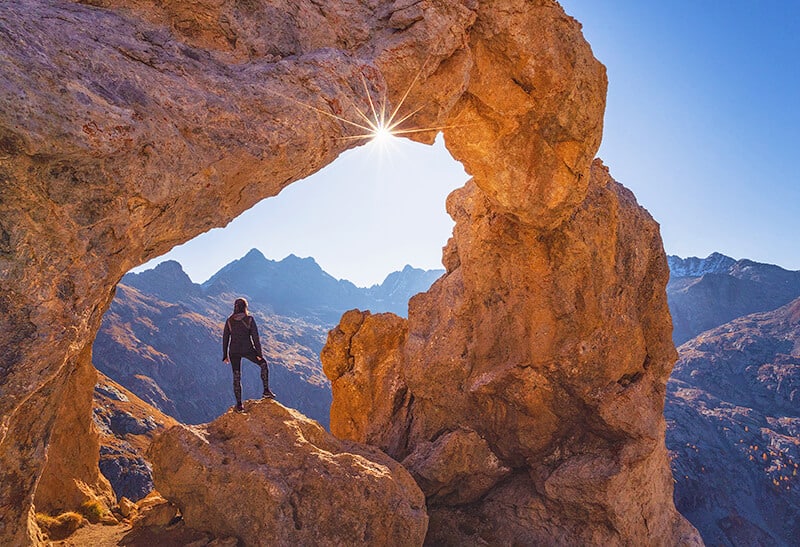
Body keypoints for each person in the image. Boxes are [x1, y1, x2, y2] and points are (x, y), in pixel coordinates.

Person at [222, 298, 275, 412]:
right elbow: (255, 337)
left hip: (234, 351)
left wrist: (225, 355)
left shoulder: (229, 321)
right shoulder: (249, 319)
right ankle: (266, 390)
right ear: (245, 307)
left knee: (237, 376)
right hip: (248, 350)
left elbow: (225, 338)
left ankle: (239, 405)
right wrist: (259, 354)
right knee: (263, 364)